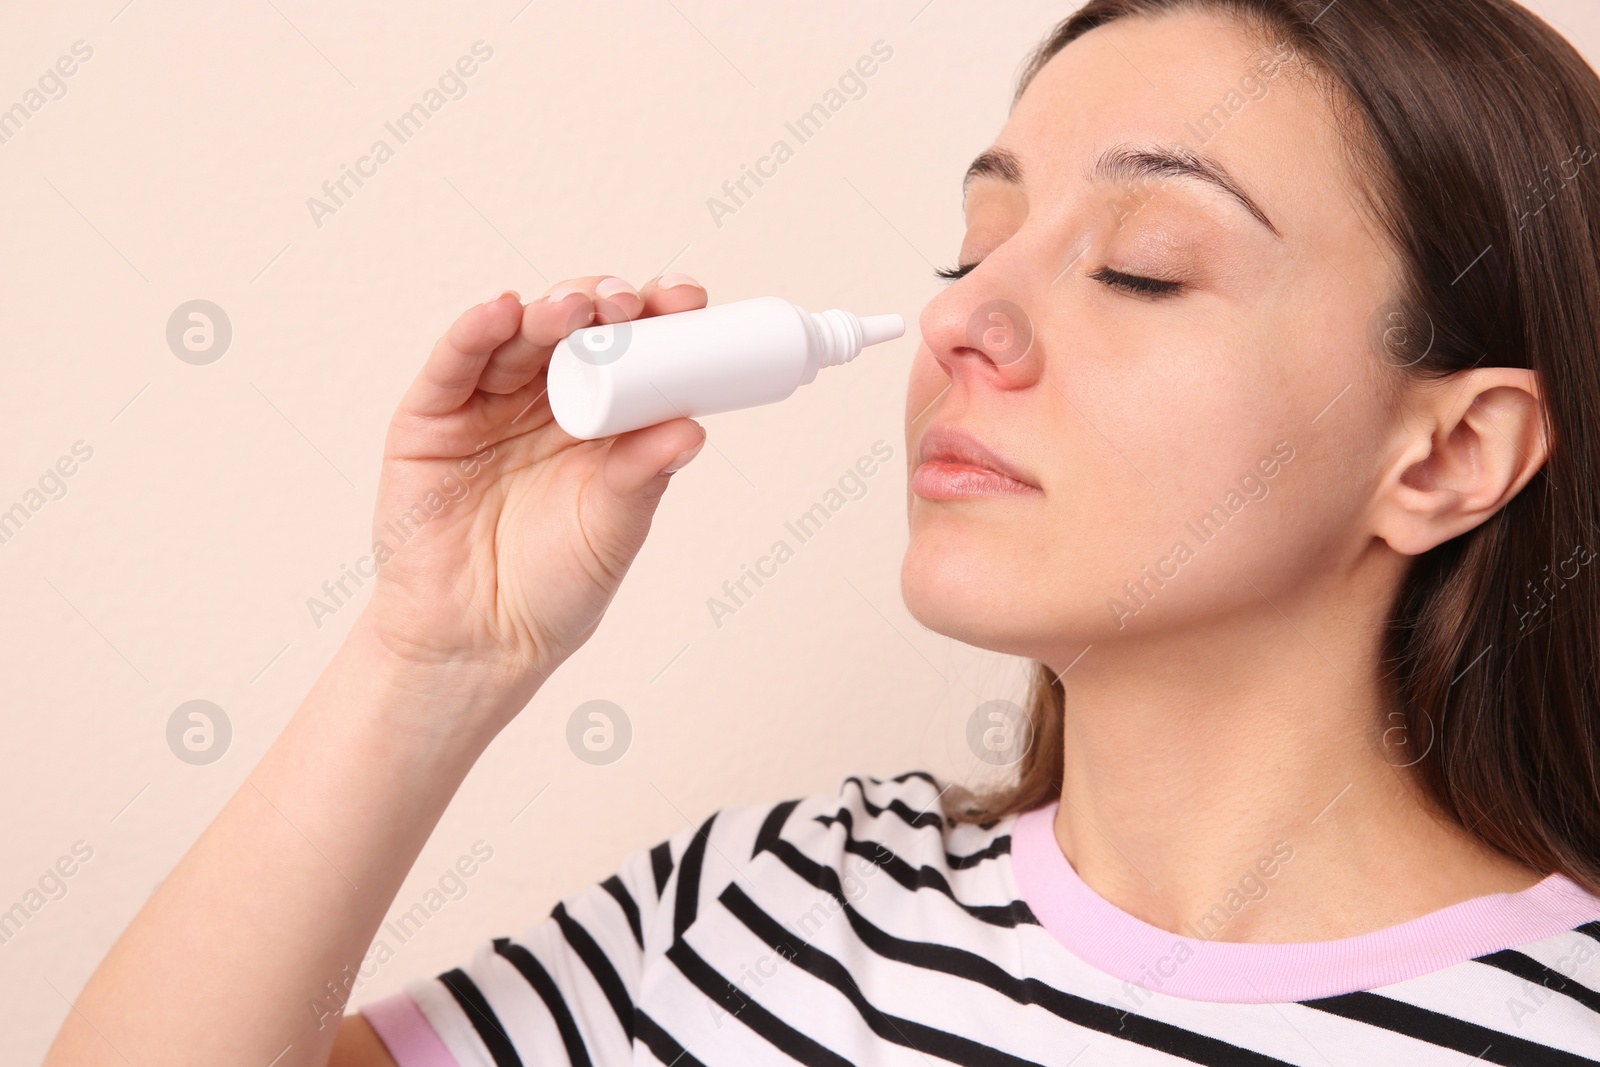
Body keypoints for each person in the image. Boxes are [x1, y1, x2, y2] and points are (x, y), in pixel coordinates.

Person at [44, 0, 1600, 1063]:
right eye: (975, 244)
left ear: (1449, 454)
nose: (963, 318)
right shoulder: (770, 900)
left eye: (1141, 267)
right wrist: (432, 648)